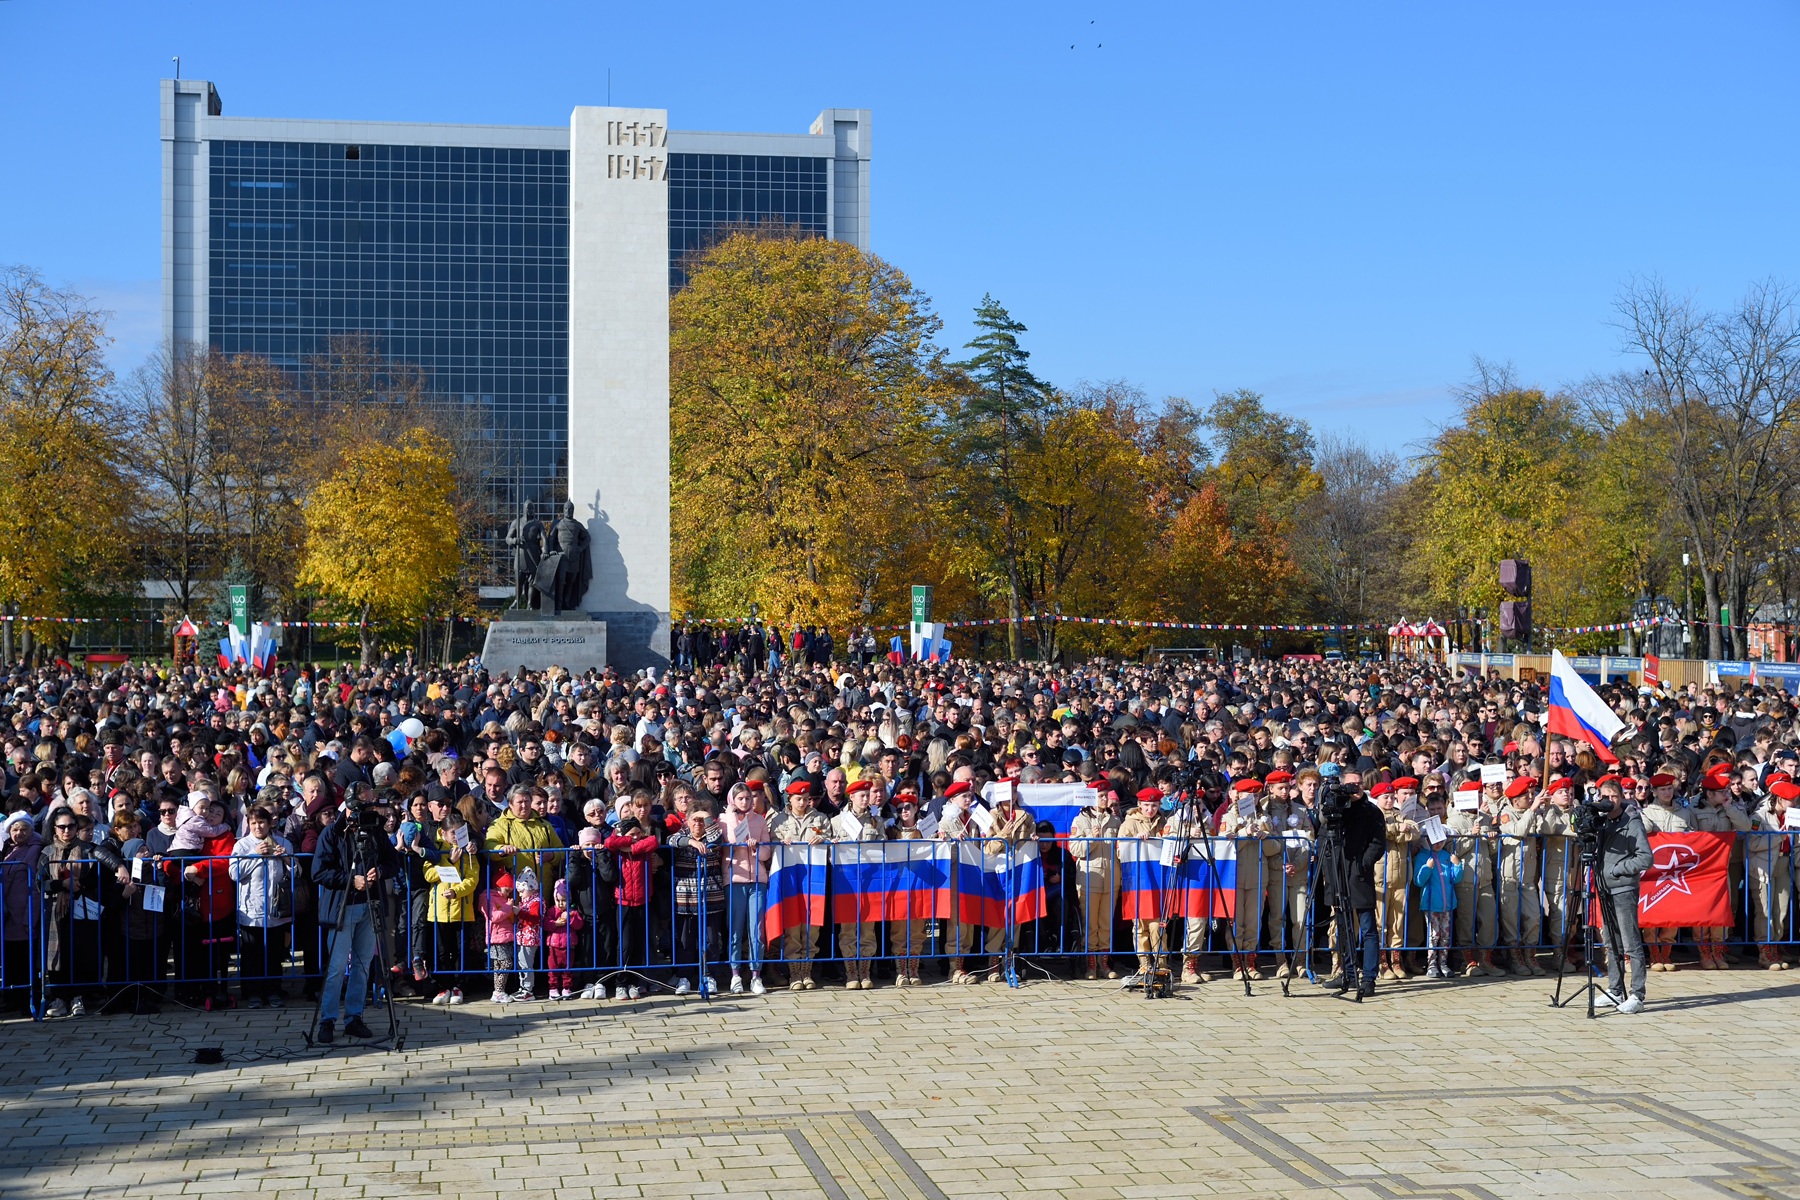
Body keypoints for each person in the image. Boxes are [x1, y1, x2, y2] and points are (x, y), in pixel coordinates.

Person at [311, 790, 402, 1044]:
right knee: (336, 967)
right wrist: (352, 880)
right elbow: (319, 872)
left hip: (370, 906)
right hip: (343, 907)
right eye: (357, 809)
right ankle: (327, 1020)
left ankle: (354, 1018)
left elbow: (393, 862)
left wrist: (380, 872)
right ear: (347, 809)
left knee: (363, 966)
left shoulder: (374, 831)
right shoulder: (331, 833)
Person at [1314, 774, 1384, 999]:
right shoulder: (1335, 809)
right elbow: (1323, 836)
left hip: (1358, 875)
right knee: (1343, 927)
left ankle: (1369, 978)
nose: (1354, 788)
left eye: (1359, 784)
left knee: (1368, 928)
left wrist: (1362, 865)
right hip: (1337, 874)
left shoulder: (1371, 811)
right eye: (1350, 784)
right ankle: (1349, 973)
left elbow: (1378, 843)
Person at [1594, 776, 1653, 1013]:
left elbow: (1646, 858)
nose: (1608, 801)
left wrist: (1618, 870)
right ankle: (1615, 990)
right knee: (1611, 942)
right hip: (1604, 888)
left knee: (1630, 943)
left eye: (1613, 797)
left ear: (1621, 798)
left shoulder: (1632, 822)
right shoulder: (1600, 821)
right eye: (1604, 797)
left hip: (1623, 888)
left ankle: (1637, 994)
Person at [228, 806, 296, 1007]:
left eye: (261, 822)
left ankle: (274, 990)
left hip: (277, 909)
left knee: (274, 953)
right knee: (252, 954)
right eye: (253, 823)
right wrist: (254, 855)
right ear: (248, 825)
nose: (258, 827)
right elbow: (234, 873)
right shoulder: (242, 845)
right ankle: (253, 993)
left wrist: (286, 858)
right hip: (251, 909)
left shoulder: (283, 843)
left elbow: (296, 873)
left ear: (269, 823)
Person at [771, 779, 830, 991]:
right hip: (791, 881)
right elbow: (771, 846)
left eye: (806, 799)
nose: (803, 802)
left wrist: (823, 840)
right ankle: (795, 972)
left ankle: (807, 970)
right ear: (790, 799)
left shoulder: (820, 819)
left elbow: (830, 839)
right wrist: (780, 844)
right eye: (799, 799)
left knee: (811, 927)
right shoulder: (779, 820)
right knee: (793, 927)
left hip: (814, 880)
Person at [832, 779, 888, 988]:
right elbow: (829, 854)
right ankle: (851, 971)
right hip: (847, 882)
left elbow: (884, 849)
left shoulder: (876, 822)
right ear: (852, 797)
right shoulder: (838, 822)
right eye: (862, 795)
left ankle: (865, 970)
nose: (866, 799)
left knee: (868, 927)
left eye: (868, 795)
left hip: (870, 881)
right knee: (848, 928)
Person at [719, 782, 771, 995]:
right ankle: (735, 975)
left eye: (748, 798)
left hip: (757, 879)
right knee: (735, 928)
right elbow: (731, 840)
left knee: (756, 928)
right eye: (740, 798)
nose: (744, 802)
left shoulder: (760, 820)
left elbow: (767, 852)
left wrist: (757, 849)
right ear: (732, 800)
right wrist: (732, 817)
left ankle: (756, 975)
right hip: (734, 878)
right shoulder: (724, 820)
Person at [1068, 785, 1122, 980]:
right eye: (1100, 796)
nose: (1104, 799)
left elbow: (1119, 849)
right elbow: (1074, 848)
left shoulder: (1115, 820)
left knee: (1106, 922)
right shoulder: (1081, 820)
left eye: (1106, 795)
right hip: (1090, 878)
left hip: (1112, 877)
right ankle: (1090, 964)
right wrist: (1091, 838)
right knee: (1090, 923)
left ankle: (1104, 962)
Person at [1411, 823, 1462, 979]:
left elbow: (1455, 879)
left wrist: (1457, 866)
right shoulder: (1423, 857)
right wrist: (1427, 868)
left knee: (1445, 935)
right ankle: (1432, 964)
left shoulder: (1447, 856)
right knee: (1434, 935)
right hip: (1431, 903)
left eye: (1441, 840)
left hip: (1447, 904)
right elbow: (1418, 881)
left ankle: (1443, 963)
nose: (1439, 844)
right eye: (1435, 840)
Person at [546, 878, 584, 999]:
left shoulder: (572, 912)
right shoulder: (552, 911)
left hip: (569, 945)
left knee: (568, 968)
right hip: (554, 945)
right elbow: (545, 923)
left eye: (564, 900)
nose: (560, 903)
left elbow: (579, 924)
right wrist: (555, 924)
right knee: (553, 968)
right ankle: (553, 988)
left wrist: (570, 919)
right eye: (558, 900)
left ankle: (567, 988)